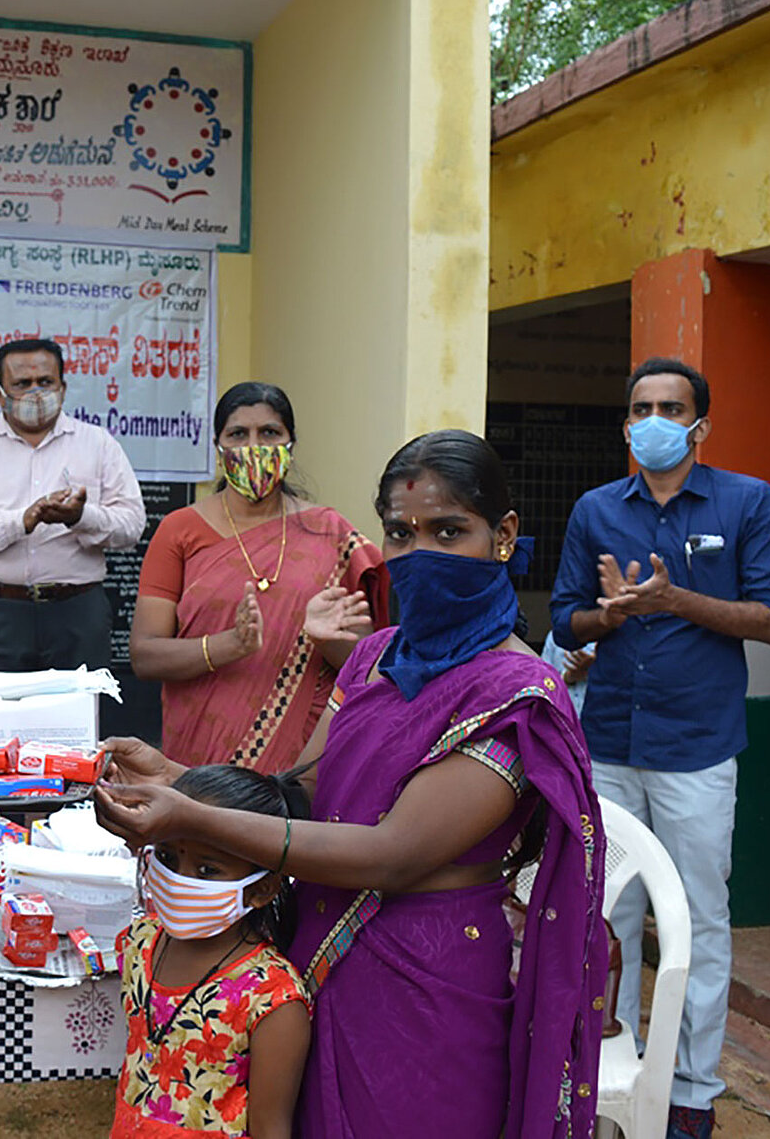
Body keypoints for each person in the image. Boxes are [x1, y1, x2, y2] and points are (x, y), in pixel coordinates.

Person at [99, 429, 607, 1138]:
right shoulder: (373, 657)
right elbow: (303, 791)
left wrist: (192, 816)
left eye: (447, 529)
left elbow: (391, 853)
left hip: (428, 979)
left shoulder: (517, 692)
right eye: (400, 532)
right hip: (319, 954)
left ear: (503, 534)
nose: (418, 552)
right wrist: (178, 776)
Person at [550, 357, 770, 1139]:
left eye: (669, 406)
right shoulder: (594, 508)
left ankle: (689, 1091)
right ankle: (610, 1072)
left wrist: (671, 599)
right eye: (639, 407)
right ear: (625, 424)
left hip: (696, 746)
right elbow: (563, 620)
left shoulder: (747, 502)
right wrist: (609, 617)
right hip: (609, 740)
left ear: (699, 424)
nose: (652, 419)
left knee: (696, 920)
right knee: (605, 913)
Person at [130, 382, 388, 773]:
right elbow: (145, 655)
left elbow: (368, 665)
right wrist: (230, 645)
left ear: (290, 444)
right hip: (198, 753)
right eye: (238, 434)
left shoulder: (331, 534)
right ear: (218, 448)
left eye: (269, 433)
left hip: (300, 760)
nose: (255, 447)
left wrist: (324, 638)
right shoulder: (179, 530)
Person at [113, 764, 312, 1138]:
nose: (178, 879)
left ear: (262, 890)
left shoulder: (271, 998)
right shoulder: (139, 942)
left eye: (206, 870)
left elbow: (271, 1127)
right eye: (168, 859)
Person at [0, 337, 146, 670]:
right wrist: (21, 521)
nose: (36, 392)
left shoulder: (98, 443)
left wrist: (81, 517)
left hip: (77, 613)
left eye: (46, 382)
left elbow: (132, 525)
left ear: (63, 388)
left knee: (77, 720)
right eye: (22, 384)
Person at [540, 631, 594, 718]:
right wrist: (568, 677)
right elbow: (542, 684)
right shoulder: (555, 636)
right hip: (561, 719)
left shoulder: (615, 640)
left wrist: (597, 669)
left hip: (599, 721)